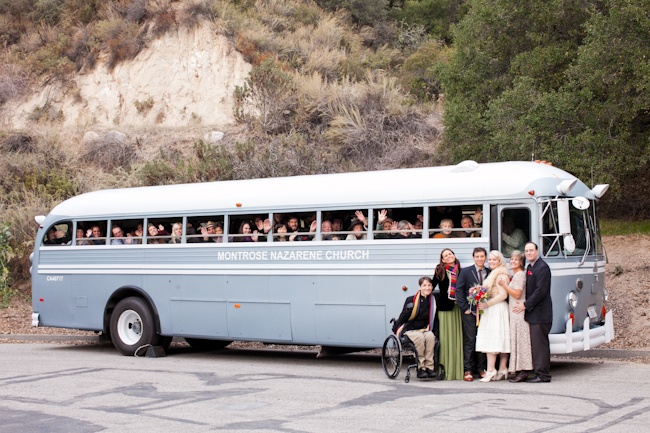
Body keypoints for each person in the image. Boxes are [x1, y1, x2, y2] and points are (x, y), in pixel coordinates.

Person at [512, 242, 552, 383]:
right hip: (534, 314)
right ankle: (539, 372)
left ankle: (543, 375)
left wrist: (525, 305)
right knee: (536, 345)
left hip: (541, 314)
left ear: (537, 251)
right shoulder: (530, 267)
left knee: (540, 346)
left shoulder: (542, 267)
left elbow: (541, 291)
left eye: (531, 250)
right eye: (526, 251)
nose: (528, 253)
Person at [475, 250, 511, 382]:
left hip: (496, 308)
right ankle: (502, 368)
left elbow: (503, 295)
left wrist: (487, 304)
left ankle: (491, 370)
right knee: (501, 339)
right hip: (495, 308)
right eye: (489, 259)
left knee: (492, 339)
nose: (491, 262)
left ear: (499, 260)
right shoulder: (496, 273)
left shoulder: (500, 275)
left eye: (494, 259)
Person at [498, 250, 533, 382]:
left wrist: (504, 285)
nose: (513, 261)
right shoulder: (517, 275)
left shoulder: (519, 275)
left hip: (518, 312)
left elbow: (517, 294)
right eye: (512, 259)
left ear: (521, 263)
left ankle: (523, 370)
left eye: (516, 260)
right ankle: (519, 369)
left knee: (521, 340)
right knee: (517, 340)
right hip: (515, 312)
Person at [393, 276, 438, 379]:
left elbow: (434, 319)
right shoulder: (411, 299)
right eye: (424, 285)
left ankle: (429, 367)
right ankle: (421, 367)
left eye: (429, 285)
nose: (427, 288)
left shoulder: (433, 301)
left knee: (430, 336)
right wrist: (408, 311)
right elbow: (402, 318)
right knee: (419, 338)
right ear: (420, 287)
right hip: (410, 329)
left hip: (424, 329)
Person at [455, 247, 489, 381]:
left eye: (482, 256)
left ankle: (481, 369)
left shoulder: (489, 272)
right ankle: (468, 369)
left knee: (483, 339)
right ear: (473, 258)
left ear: (485, 257)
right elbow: (459, 290)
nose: (480, 259)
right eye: (477, 256)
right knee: (470, 340)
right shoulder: (465, 271)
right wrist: (465, 308)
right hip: (470, 311)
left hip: (485, 311)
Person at [431, 248, 464, 380]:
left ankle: (457, 370)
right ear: (443, 260)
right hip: (445, 309)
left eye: (450, 254)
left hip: (457, 308)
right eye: (446, 255)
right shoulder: (440, 270)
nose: (449, 256)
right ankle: (445, 369)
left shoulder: (460, 270)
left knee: (457, 339)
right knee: (445, 339)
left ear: (454, 255)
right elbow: (432, 285)